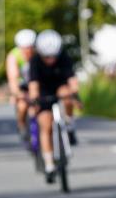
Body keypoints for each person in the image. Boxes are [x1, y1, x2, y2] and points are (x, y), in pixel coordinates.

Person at [27, 30, 80, 181]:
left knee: (67, 95)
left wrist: (75, 94)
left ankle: (69, 123)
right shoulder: (35, 61)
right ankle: (49, 163)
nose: (51, 60)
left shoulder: (64, 57)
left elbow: (72, 80)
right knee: (45, 124)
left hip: (60, 87)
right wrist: (35, 101)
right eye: (47, 57)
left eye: (53, 56)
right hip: (43, 92)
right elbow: (33, 85)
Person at [6, 29, 37, 140]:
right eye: (25, 49)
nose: (28, 51)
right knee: (22, 106)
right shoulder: (13, 56)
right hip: (21, 85)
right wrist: (17, 94)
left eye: (30, 48)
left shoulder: (38, 54)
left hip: (35, 83)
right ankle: (21, 125)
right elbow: (13, 79)